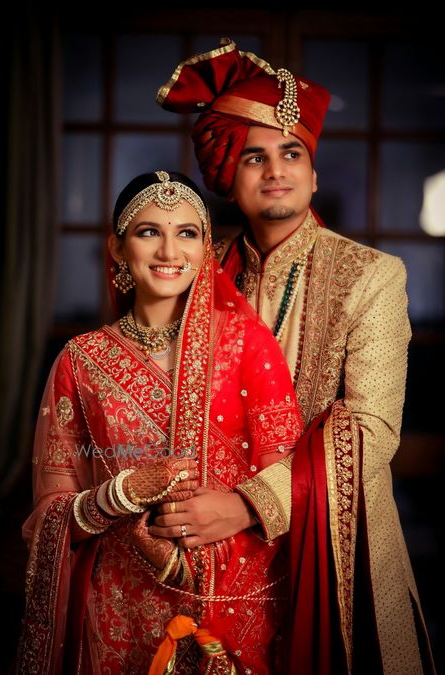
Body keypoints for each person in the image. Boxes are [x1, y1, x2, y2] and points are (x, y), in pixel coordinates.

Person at [153, 38, 436, 674]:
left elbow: (371, 433)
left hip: (337, 544)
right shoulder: (199, 275)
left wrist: (246, 505)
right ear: (230, 176)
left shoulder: (372, 275)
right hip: (212, 550)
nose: (276, 169)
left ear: (312, 173)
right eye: (255, 157)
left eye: (292, 153)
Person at [16, 170, 305, 674]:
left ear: (206, 247)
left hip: (233, 604)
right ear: (117, 247)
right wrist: (117, 497)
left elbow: (291, 475)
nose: (170, 250)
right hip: (118, 608)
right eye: (149, 231)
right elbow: (49, 517)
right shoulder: (81, 360)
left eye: (187, 233)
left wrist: (230, 514)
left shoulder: (245, 342)